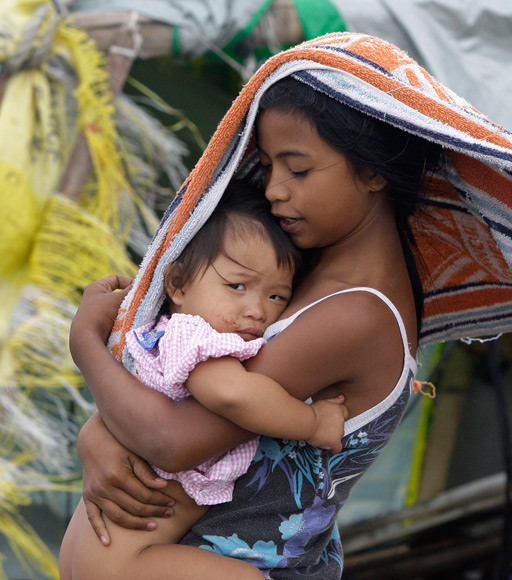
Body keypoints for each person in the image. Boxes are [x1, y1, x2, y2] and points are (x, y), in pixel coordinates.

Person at [65, 75, 444, 579]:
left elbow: (172, 439)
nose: (274, 189)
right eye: (266, 166)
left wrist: (86, 343)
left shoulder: (353, 314)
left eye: (299, 169)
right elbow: (176, 388)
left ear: (373, 171)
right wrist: (96, 437)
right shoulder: (293, 272)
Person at [58, 181, 350, 579]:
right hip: (128, 560)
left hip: (92, 553)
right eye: (237, 286)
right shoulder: (196, 338)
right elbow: (233, 395)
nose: (256, 311)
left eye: (277, 297)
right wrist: (314, 423)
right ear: (176, 284)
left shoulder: (162, 338)